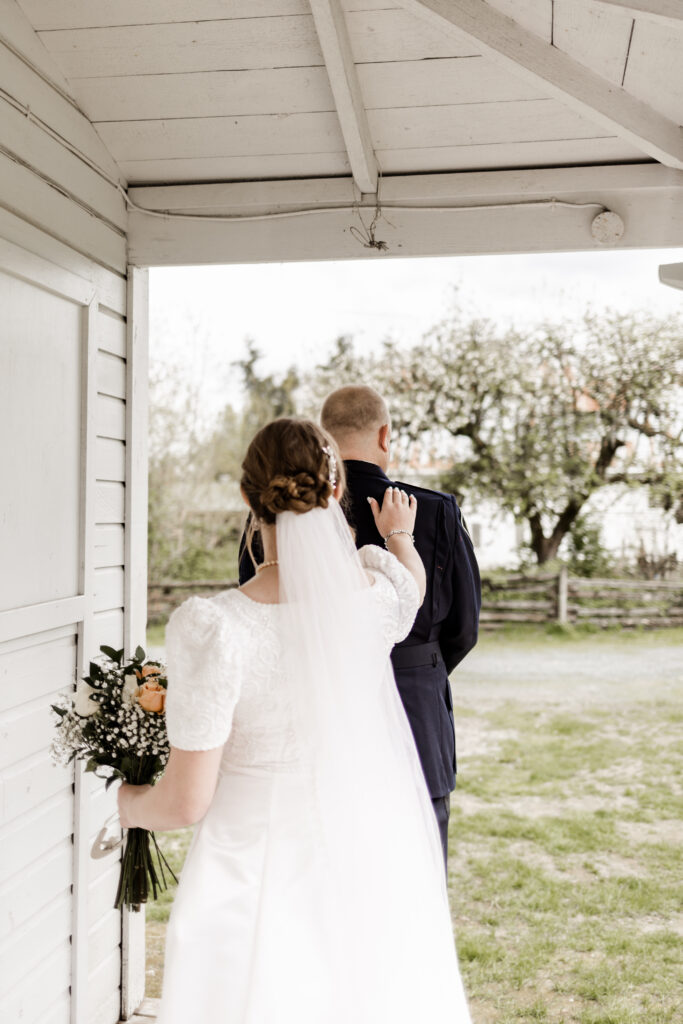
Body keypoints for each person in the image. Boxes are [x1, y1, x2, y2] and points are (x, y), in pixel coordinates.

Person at [117, 418, 472, 1024]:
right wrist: (400, 536)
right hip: (361, 860)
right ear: (336, 495)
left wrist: (124, 802)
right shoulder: (372, 603)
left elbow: (183, 804)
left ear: (248, 498)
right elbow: (410, 587)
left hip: (249, 875)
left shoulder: (215, 627)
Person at [240, 387, 481, 865]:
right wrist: (415, 671)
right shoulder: (434, 510)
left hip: (312, 732)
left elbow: (261, 617)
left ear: (322, 438)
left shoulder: (274, 515)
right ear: (385, 435)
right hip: (416, 725)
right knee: (418, 885)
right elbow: (463, 629)